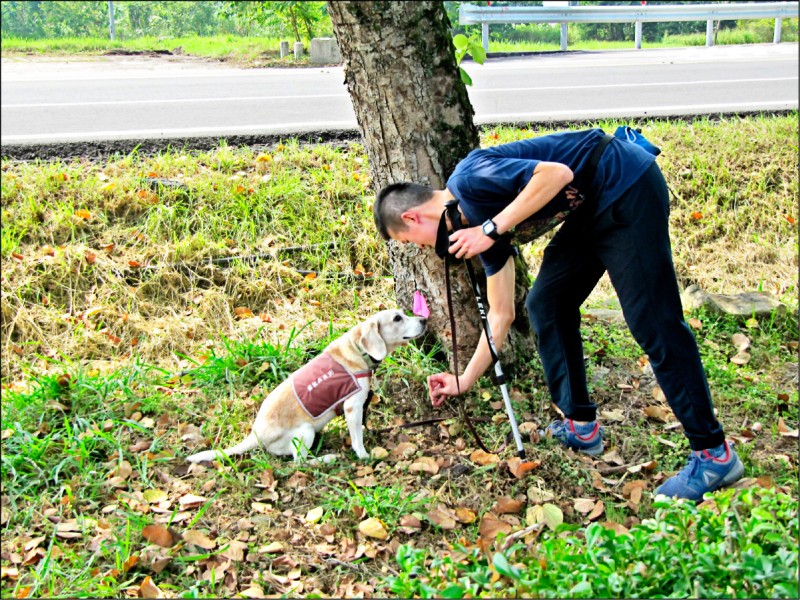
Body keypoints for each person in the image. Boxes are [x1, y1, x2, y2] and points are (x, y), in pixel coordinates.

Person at [373, 128, 743, 501]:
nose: (421, 249)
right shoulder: (475, 230)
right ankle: (581, 426)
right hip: (590, 207)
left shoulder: (470, 180)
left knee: (655, 324)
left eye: (409, 241)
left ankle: (714, 453)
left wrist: (490, 229)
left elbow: (556, 174)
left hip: (626, 184)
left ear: (414, 218)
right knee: (545, 304)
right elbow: (500, 316)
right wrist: (464, 379)